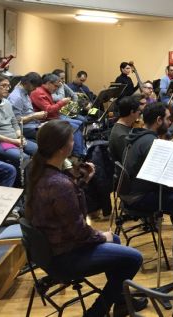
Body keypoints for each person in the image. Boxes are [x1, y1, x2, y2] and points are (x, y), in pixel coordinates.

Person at [25, 120, 147, 317]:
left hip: (51, 251)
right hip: (64, 257)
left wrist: (82, 182)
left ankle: (121, 302)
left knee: (116, 241)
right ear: (62, 148)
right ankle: (96, 312)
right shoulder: (59, 184)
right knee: (134, 258)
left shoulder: (37, 171)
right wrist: (101, 236)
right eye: (72, 140)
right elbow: (79, 231)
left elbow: (64, 207)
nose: (75, 143)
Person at [121, 103, 173, 231]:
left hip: (131, 193)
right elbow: (165, 181)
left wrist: (168, 145)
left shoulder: (138, 135)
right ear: (158, 120)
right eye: (168, 119)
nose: (170, 122)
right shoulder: (151, 143)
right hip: (140, 197)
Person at [0, 74, 38, 181]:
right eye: (3, 86)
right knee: (24, 158)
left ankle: (29, 182)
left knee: (38, 149)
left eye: (8, 86)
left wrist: (20, 136)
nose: (7, 88)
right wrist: (13, 140)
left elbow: (14, 121)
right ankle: (21, 187)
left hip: (15, 138)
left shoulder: (7, 102)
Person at [30, 73, 86, 158]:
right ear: (48, 83)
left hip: (54, 118)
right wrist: (62, 102)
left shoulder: (46, 91)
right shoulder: (38, 93)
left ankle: (79, 152)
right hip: (46, 121)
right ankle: (77, 155)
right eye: (55, 86)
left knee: (80, 123)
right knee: (75, 127)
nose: (56, 89)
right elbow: (49, 110)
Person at [8, 72, 47, 140]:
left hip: (32, 124)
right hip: (23, 128)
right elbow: (16, 121)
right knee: (53, 133)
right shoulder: (17, 97)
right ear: (27, 83)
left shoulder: (25, 93)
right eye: (34, 86)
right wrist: (34, 116)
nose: (35, 89)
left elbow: (27, 112)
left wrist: (36, 116)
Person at [108, 95, 143, 163]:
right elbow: (130, 162)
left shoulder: (125, 125)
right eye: (138, 110)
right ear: (132, 112)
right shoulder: (122, 136)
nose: (140, 112)